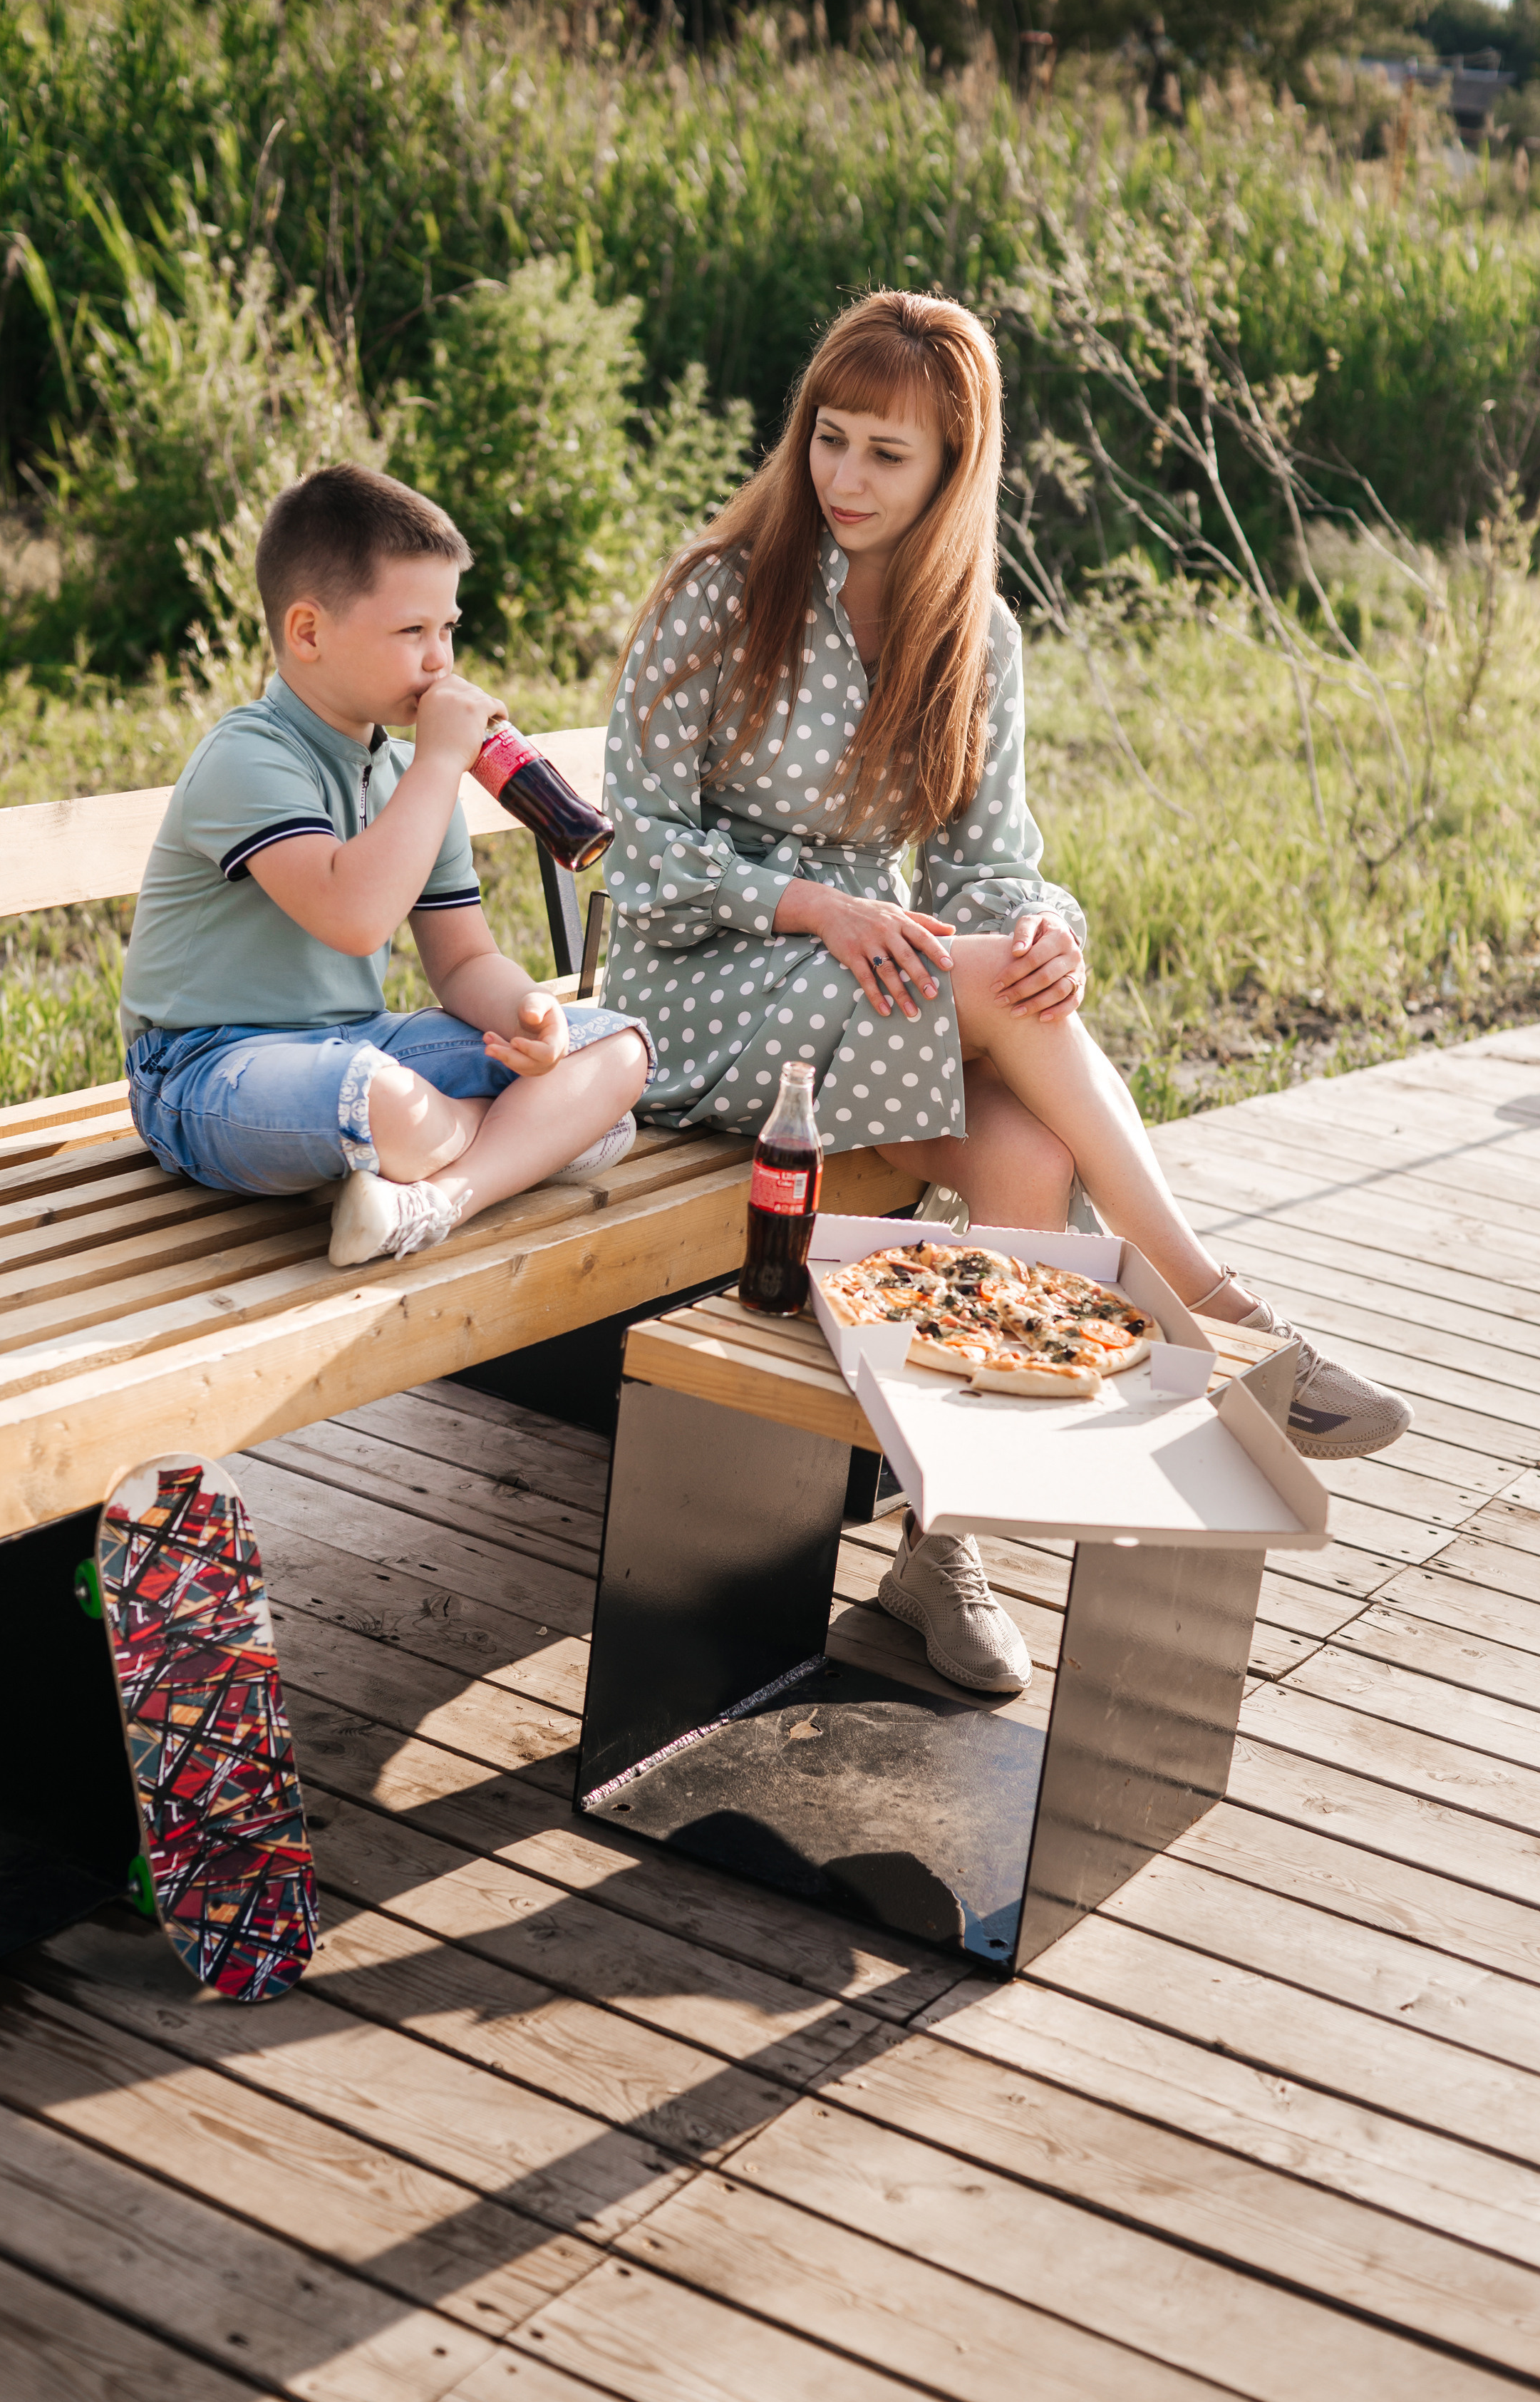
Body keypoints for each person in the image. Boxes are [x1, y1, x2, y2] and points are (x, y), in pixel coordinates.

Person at [599, 289, 1410, 1699]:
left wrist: (1042, 932)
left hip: (872, 993)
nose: (844, 479)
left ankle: (942, 1540)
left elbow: (991, 870)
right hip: (703, 991)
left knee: (1030, 1147)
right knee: (989, 997)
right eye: (829, 440)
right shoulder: (717, 597)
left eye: (886, 455)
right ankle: (1220, 1313)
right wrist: (818, 904)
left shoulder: (975, 639)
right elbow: (645, 851)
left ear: (953, 472)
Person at [121, 463, 651, 1265]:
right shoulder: (248, 757)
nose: (441, 662)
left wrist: (529, 1022)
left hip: (353, 1043)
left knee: (616, 1051)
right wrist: (442, 763)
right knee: (405, 1103)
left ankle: (434, 1200)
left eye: (449, 629)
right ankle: (519, 1148)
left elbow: (465, 958)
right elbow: (353, 916)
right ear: (308, 633)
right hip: (203, 1069)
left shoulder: (405, 775)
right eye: (413, 633)